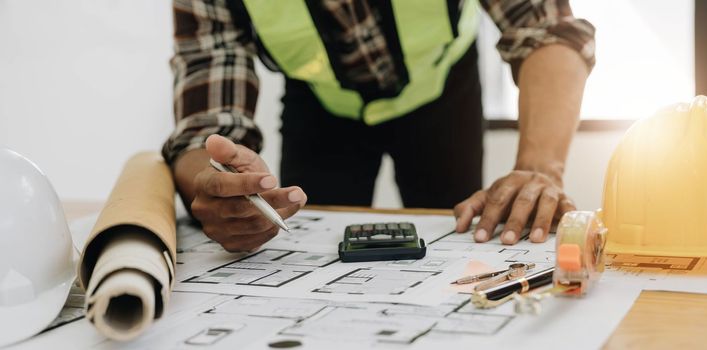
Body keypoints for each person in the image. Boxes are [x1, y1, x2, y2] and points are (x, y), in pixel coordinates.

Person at [163, 0, 595, 252]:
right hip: (319, 105)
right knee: (311, 252)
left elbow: (547, 28)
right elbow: (206, 119)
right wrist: (213, 184)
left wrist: (541, 167)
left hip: (442, 88)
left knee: (462, 240)